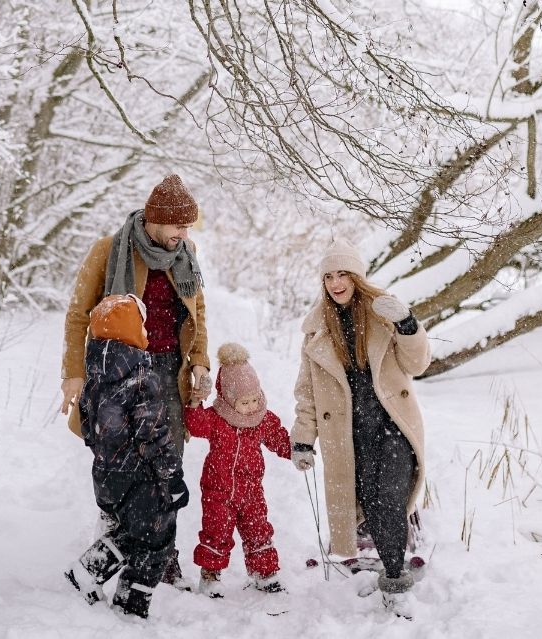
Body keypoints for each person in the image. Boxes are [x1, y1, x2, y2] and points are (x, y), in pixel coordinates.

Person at [60, 174, 211, 588]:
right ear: (156, 221)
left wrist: (200, 362)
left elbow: (198, 312)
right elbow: (78, 315)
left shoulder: (187, 253)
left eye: (187, 228)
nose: (184, 234)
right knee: (122, 464)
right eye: (178, 226)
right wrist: (73, 374)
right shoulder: (109, 251)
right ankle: (114, 539)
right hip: (119, 369)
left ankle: (164, 557)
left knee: (167, 464)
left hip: (171, 370)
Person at [290, 238, 431, 620]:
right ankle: (392, 556)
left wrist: (406, 323)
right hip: (350, 437)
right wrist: (303, 438)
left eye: (343, 274)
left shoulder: (383, 312)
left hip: (393, 426)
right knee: (371, 505)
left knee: (387, 499)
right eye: (329, 276)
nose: (336, 283)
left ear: (357, 277)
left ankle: (397, 585)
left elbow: (417, 363)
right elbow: (307, 393)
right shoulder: (317, 330)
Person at [64, 294, 190, 619]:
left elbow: (89, 431)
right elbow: (153, 435)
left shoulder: (95, 378)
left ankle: (88, 571)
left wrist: (109, 457)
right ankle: (131, 606)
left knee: (133, 533)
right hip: (142, 477)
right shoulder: (141, 379)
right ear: (134, 332)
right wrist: (172, 476)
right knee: (156, 539)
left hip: (106, 476)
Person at [184, 343, 291, 599]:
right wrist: (196, 401)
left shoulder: (262, 418)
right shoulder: (217, 419)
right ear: (229, 400)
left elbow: (278, 437)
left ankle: (263, 573)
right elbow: (196, 424)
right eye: (245, 402)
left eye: (255, 398)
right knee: (216, 531)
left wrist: (296, 450)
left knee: (258, 529)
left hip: (252, 490)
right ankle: (210, 577)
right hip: (218, 491)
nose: (252, 406)